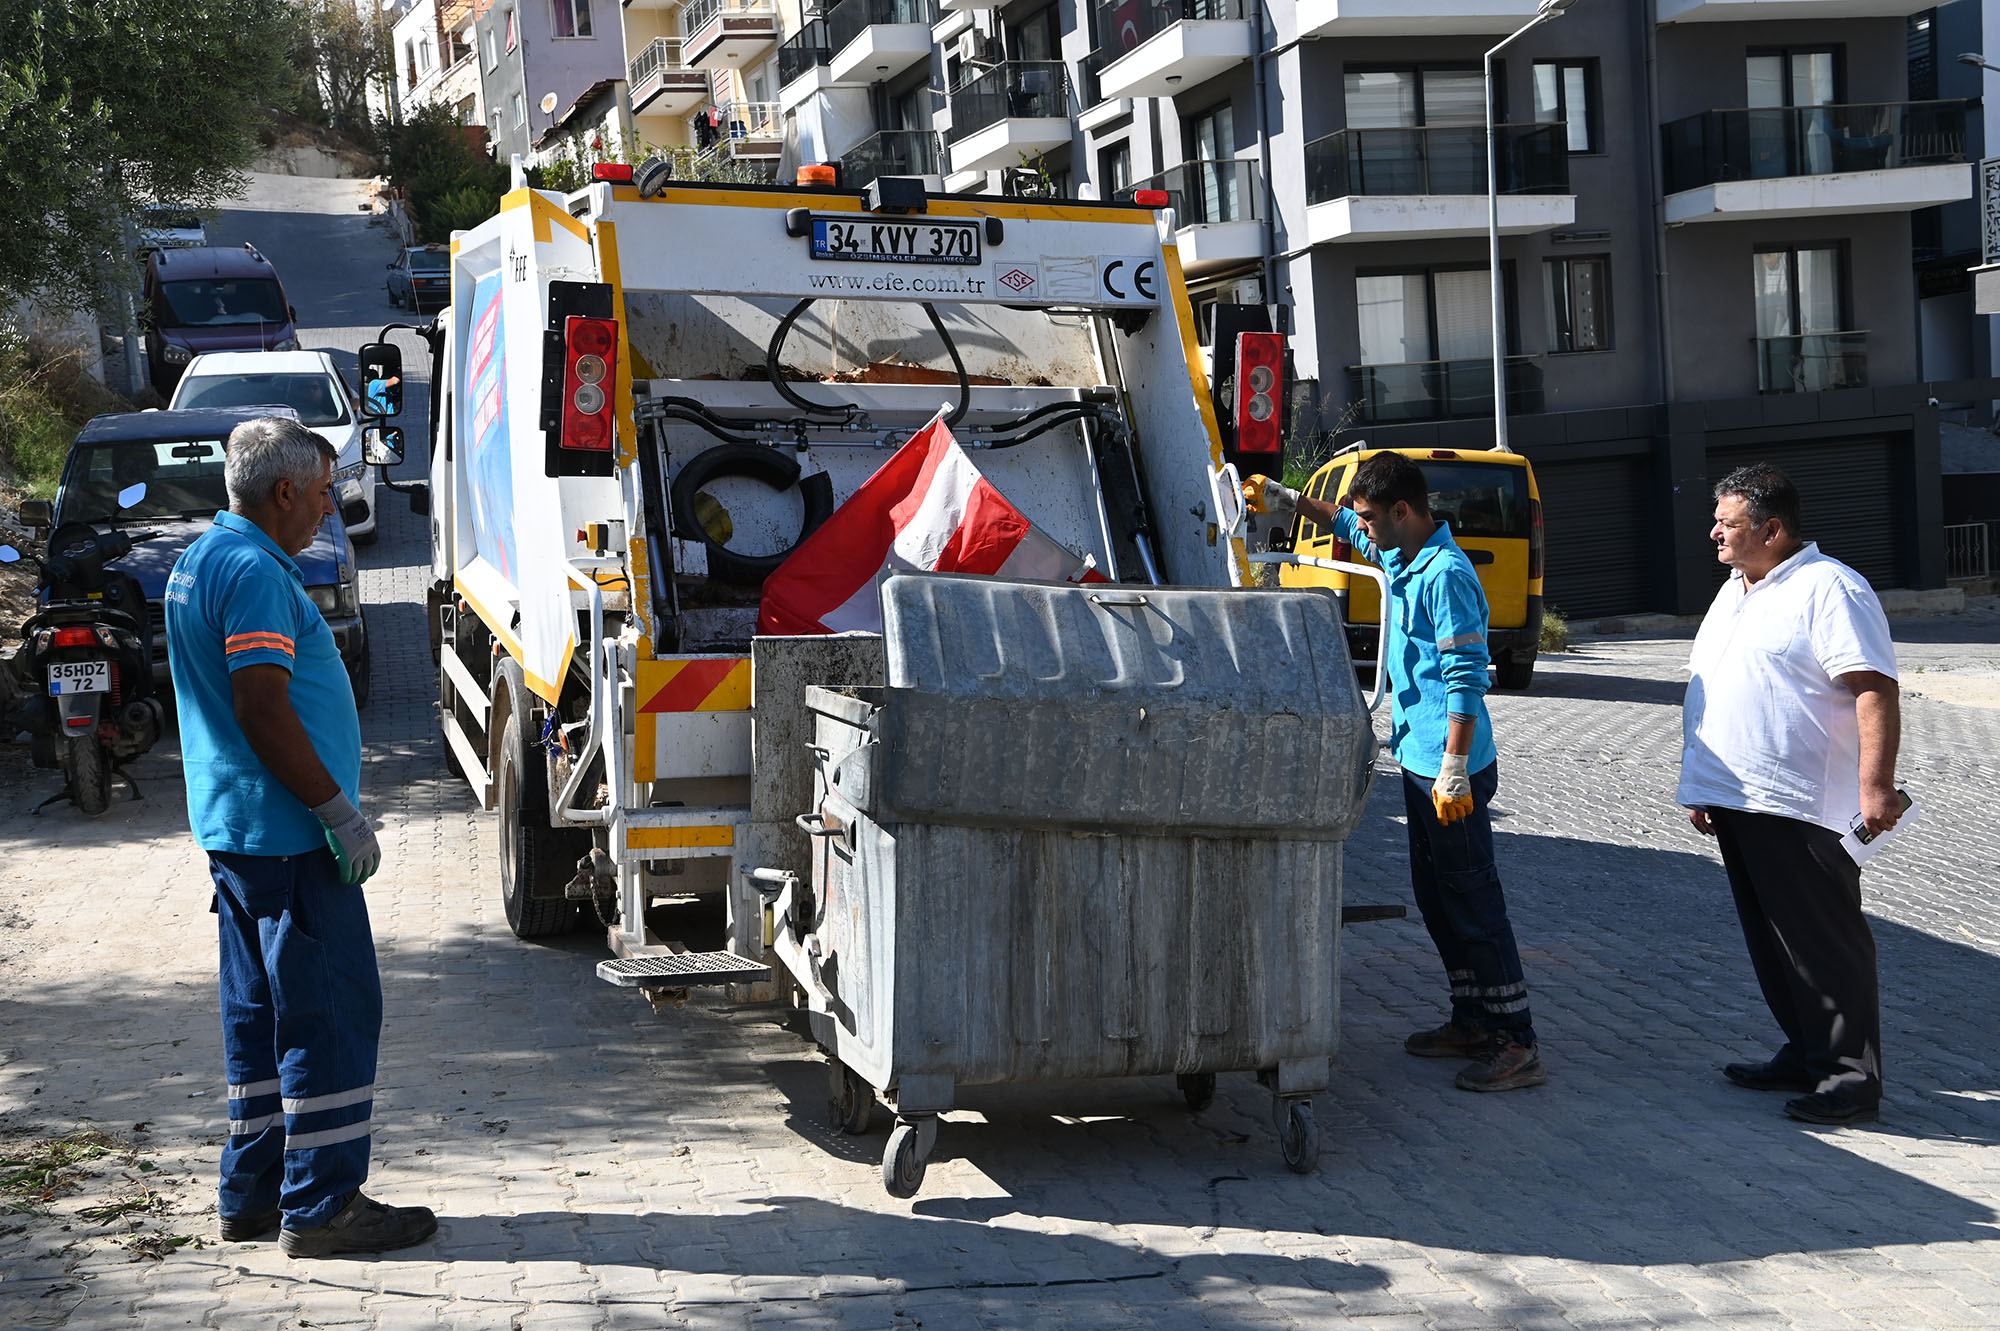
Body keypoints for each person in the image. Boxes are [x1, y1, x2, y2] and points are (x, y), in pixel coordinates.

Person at [164, 415, 436, 1255]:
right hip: (290, 837)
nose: (328, 506)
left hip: (241, 832)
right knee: (329, 1013)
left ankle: (250, 1193)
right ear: (282, 491)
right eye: (322, 491)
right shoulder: (252, 572)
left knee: (259, 1016)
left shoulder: (204, 557)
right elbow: (261, 706)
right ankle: (322, 1205)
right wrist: (337, 811)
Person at [1246, 454, 1544, 1092]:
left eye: (1371, 517)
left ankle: (1516, 1039)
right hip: (1418, 758)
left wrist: (1455, 766)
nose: (1362, 528)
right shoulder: (1400, 555)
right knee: (1437, 896)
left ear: (1402, 511)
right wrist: (1286, 497)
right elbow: (1341, 522)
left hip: (1451, 769)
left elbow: (1466, 677)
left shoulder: (1446, 575)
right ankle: (1471, 1018)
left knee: (1472, 897)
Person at [1679, 463, 1901, 1128]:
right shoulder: (1735, 590)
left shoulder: (1830, 588)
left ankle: (1850, 1077)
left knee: (1823, 944)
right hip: (1740, 798)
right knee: (1774, 943)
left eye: (1727, 522)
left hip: (1802, 804)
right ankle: (1807, 1052)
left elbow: (1873, 687)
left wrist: (1876, 787)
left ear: (1771, 530)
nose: (1714, 531)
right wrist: (1702, 782)